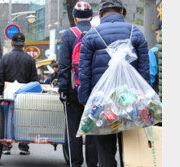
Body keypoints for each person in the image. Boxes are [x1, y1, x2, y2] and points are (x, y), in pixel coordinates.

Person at [78, 0, 150, 166]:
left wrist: (85, 101)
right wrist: (145, 100)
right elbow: (144, 72)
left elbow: (84, 73)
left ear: (100, 15)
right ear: (122, 12)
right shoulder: (136, 33)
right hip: (131, 102)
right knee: (131, 150)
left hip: (103, 103)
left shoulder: (91, 36)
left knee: (105, 151)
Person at [58, 1, 98, 167]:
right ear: (91, 17)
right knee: (92, 130)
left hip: (74, 90)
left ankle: (75, 163)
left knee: (74, 129)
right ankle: (92, 163)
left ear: (74, 17)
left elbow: (64, 65)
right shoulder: (97, 33)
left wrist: (62, 88)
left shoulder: (68, 35)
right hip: (94, 91)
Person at [0, 32, 38, 155]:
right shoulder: (30, 59)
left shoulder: (5, 58)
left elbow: (0, 77)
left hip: (8, 90)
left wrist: (0, 92)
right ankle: (23, 145)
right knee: (24, 117)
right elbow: (34, 80)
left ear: (11, 44)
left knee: (6, 116)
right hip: (25, 92)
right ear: (24, 44)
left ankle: (6, 145)